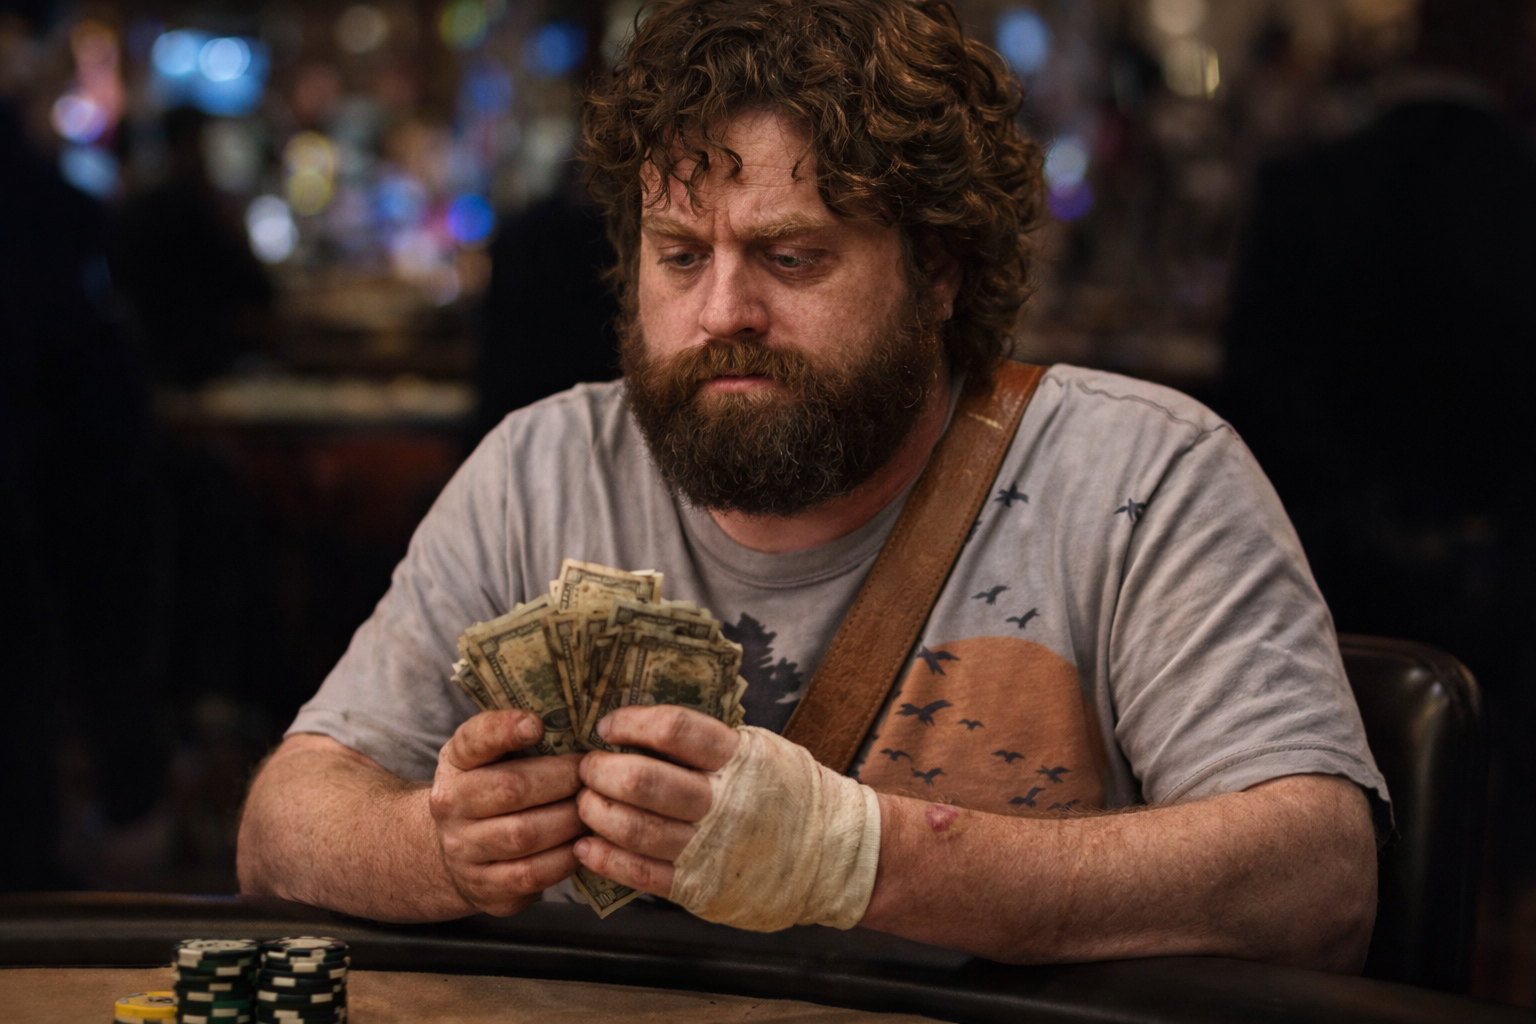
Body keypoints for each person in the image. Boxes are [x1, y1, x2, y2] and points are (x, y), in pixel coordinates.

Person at [239, 0, 1385, 970]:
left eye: (792, 257)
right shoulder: (539, 469)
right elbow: (282, 826)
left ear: (938, 271)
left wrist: (860, 854)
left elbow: (1318, 874)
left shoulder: (1142, 473)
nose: (722, 311)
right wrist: (437, 848)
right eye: (681, 257)